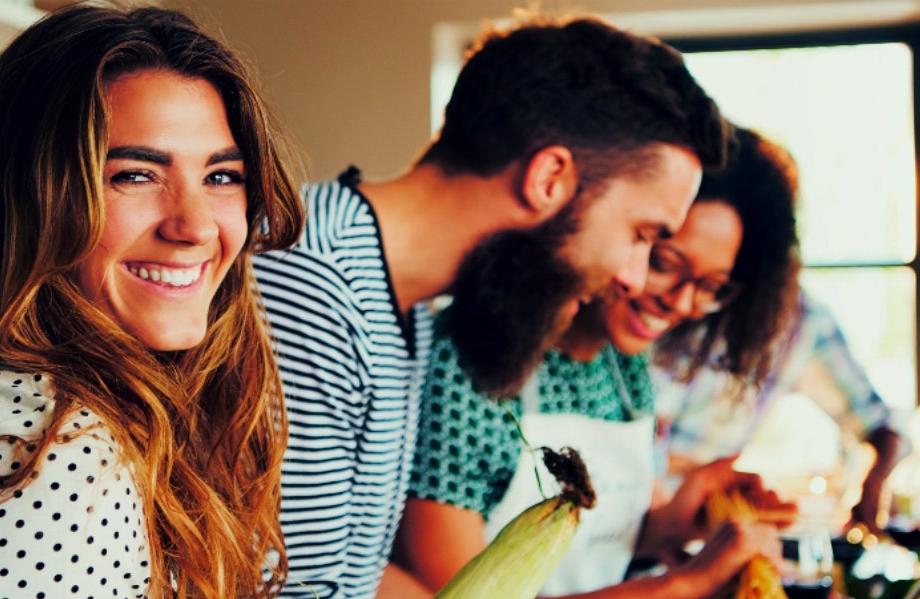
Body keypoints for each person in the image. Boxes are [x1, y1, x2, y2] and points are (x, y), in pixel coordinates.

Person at [252, 12, 729, 599]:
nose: (632, 277)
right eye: (641, 234)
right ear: (549, 177)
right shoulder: (312, 287)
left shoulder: (400, 302)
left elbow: (349, 574)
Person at [0, 5, 305, 597]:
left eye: (221, 177)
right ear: (30, 199)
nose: (196, 226)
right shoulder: (43, 460)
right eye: (133, 175)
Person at [397, 128, 802, 597]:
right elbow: (456, 596)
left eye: (710, 286)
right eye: (666, 263)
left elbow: (590, 543)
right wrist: (685, 584)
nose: (682, 302)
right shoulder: (470, 361)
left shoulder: (624, 370)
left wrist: (679, 520)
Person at [658, 287, 906, 532]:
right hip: (643, 519)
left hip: (685, 527)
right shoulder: (677, 292)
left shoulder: (803, 320)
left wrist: (871, 486)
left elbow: (879, 423)